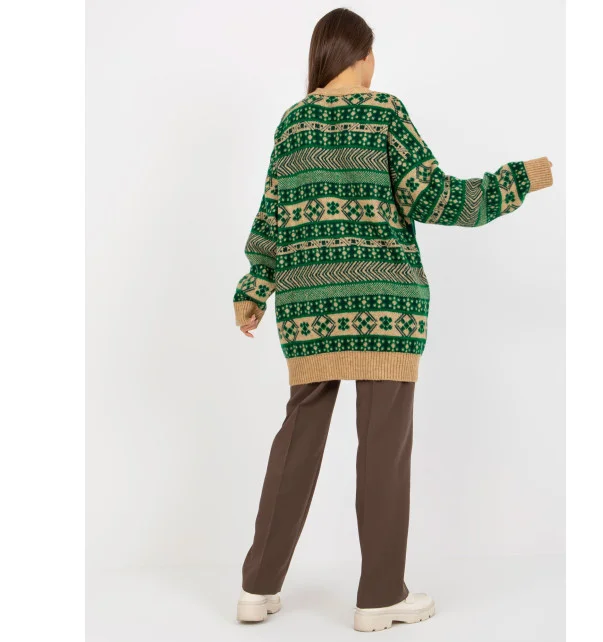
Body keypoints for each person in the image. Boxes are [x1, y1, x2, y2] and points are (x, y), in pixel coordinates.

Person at [233, 7, 553, 633]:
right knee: (383, 448)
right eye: (372, 54)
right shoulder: (384, 114)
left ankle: (257, 586)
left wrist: (253, 289)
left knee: (296, 441)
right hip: (385, 307)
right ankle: (380, 596)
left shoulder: (292, 124)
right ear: (361, 56)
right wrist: (523, 178)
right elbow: (440, 198)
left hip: (310, 308)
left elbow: (271, 216)